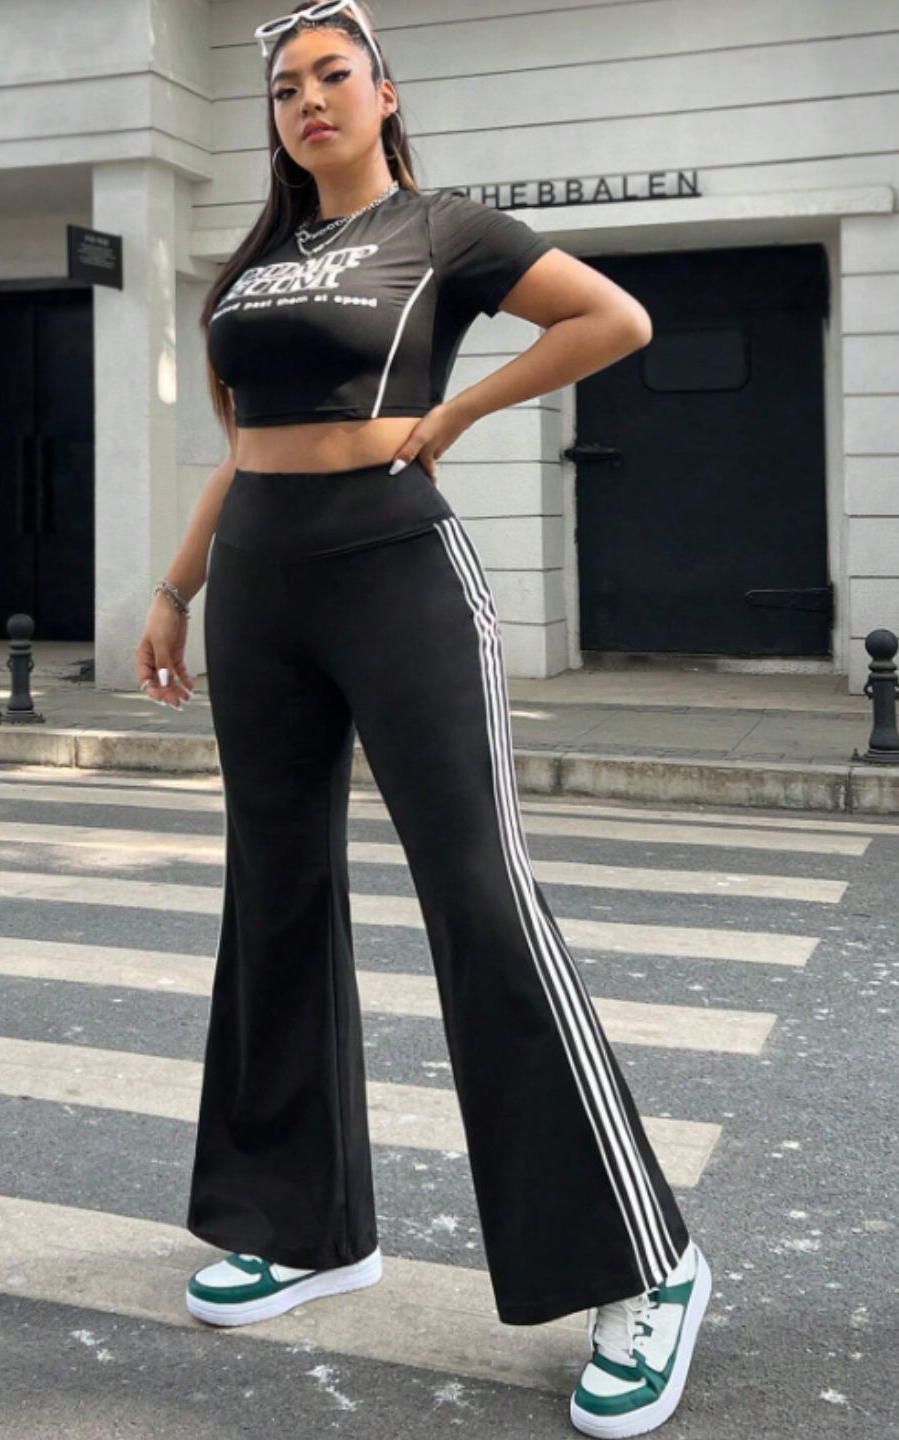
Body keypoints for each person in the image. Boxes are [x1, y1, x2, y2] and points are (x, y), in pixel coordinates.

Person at [134, 3, 711, 1434]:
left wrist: (450, 422)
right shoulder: (255, 260)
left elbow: (611, 319)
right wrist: (176, 586)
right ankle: (302, 1223)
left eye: (333, 74)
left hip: (397, 570)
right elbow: (243, 449)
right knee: (272, 893)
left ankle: (646, 1264)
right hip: (262, 582)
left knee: (476, 891)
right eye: (285, 85)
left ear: (384, 93)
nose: (307, 98)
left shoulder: (444, 230)